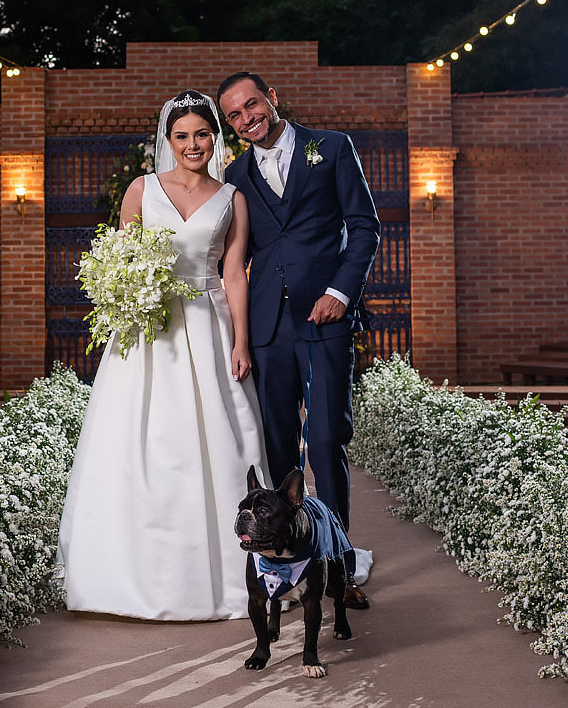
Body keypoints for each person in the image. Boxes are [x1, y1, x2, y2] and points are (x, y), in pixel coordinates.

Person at [59, 90, 270, 621]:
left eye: (202, 134)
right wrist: (124, 300)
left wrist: (241, 340)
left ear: (215, 137)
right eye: (182, 136)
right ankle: (132, 574)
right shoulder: (141, 190)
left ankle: (236, 573)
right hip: (149, 331)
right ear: (167, 140)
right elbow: (119, 259)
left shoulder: (231, 198)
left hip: (208, 323)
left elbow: (233, 275)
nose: (193, 144)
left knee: (220, 438)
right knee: (143, 443)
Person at [217, 72, 380, 609]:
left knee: (329, 440)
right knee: (279, 452)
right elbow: (233, 259)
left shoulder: (331, 148)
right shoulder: (234, 175)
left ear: (273, 99)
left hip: (324, 317)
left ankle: (339, 570)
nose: (247, 119)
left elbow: (364, 227)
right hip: (267, 328)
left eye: (253, 105)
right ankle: (286, 567)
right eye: (235, 116)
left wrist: (340, 290)